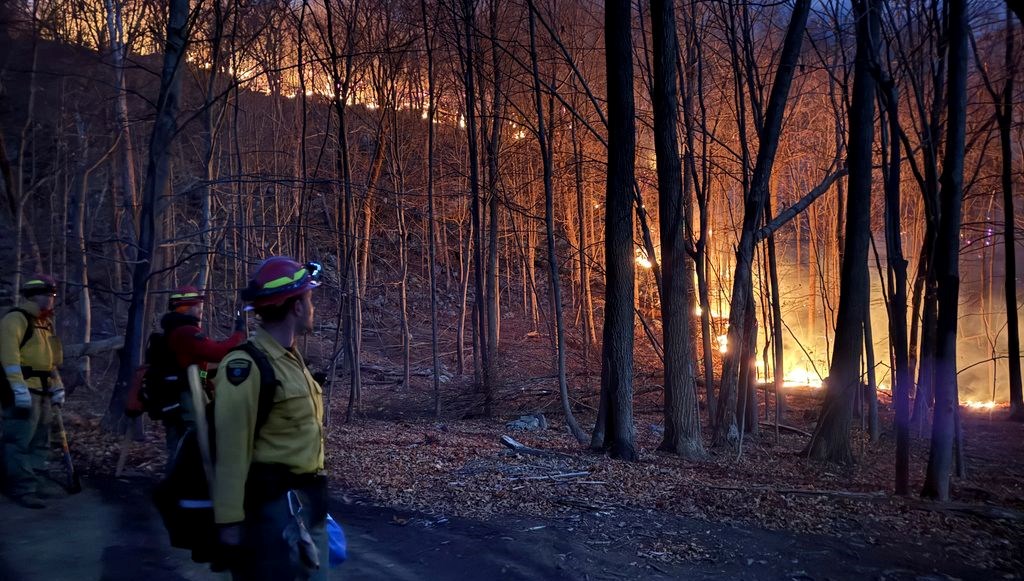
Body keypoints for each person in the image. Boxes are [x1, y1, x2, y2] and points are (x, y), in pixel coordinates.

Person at [212, 257, 326, 580]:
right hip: (272, 518)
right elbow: (232, 449)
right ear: (296, 308)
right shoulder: (246, 367)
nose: (312, 307)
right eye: (309, 299)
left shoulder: (292, 360)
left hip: (307, 507)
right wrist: (230, 525)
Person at [159, 286, 247, 464]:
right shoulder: (186, 332)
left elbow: (201, 360)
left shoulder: (177, 331)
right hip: (185, 398)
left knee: (183, 442)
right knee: (189, 442)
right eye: (197, 305)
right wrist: (240, 333)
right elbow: (217, 352)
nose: (200, 309)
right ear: (186, 307)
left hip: (178, 396)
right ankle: (177, 486)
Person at [0, 274, 64, 509]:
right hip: (23, 390)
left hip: (43, 389)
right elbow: (9, 356)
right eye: (47, 293)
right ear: (32, 295)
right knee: (18, 440)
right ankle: (21, 487)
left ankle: (36, 480)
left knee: (41, 440)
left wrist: (57, 386)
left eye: (53, 294)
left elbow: (51, 361)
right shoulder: (15, 319)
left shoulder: (45, 323)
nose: (51, 298)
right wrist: (18, 387)